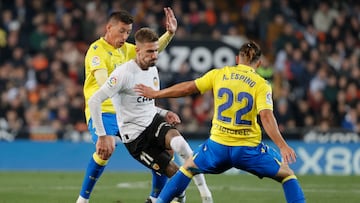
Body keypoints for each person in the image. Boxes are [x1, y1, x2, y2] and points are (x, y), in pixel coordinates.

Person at [135, 41, 306, 203]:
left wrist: (156, 94)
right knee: (287, 174)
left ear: (237, 59)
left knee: (187, 169)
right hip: (247, 150)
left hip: (217, 147)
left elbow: (187, 88)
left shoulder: (220, 74)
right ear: (259, 64)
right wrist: (282, 145)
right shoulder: (261, 84)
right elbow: (266, 117)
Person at [77, 8, 211, 203]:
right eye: (121, 31)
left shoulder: (128, 50)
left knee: (167, 151)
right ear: (109, 28)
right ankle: (83, 199)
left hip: (128, 111)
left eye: (128, 32)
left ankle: (155, 197)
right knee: (107, 148)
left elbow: (150, 51)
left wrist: (170, 33)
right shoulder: (97, 51)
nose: (125, 36)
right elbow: (104, 87)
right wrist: (103, 134)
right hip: (105, 111)